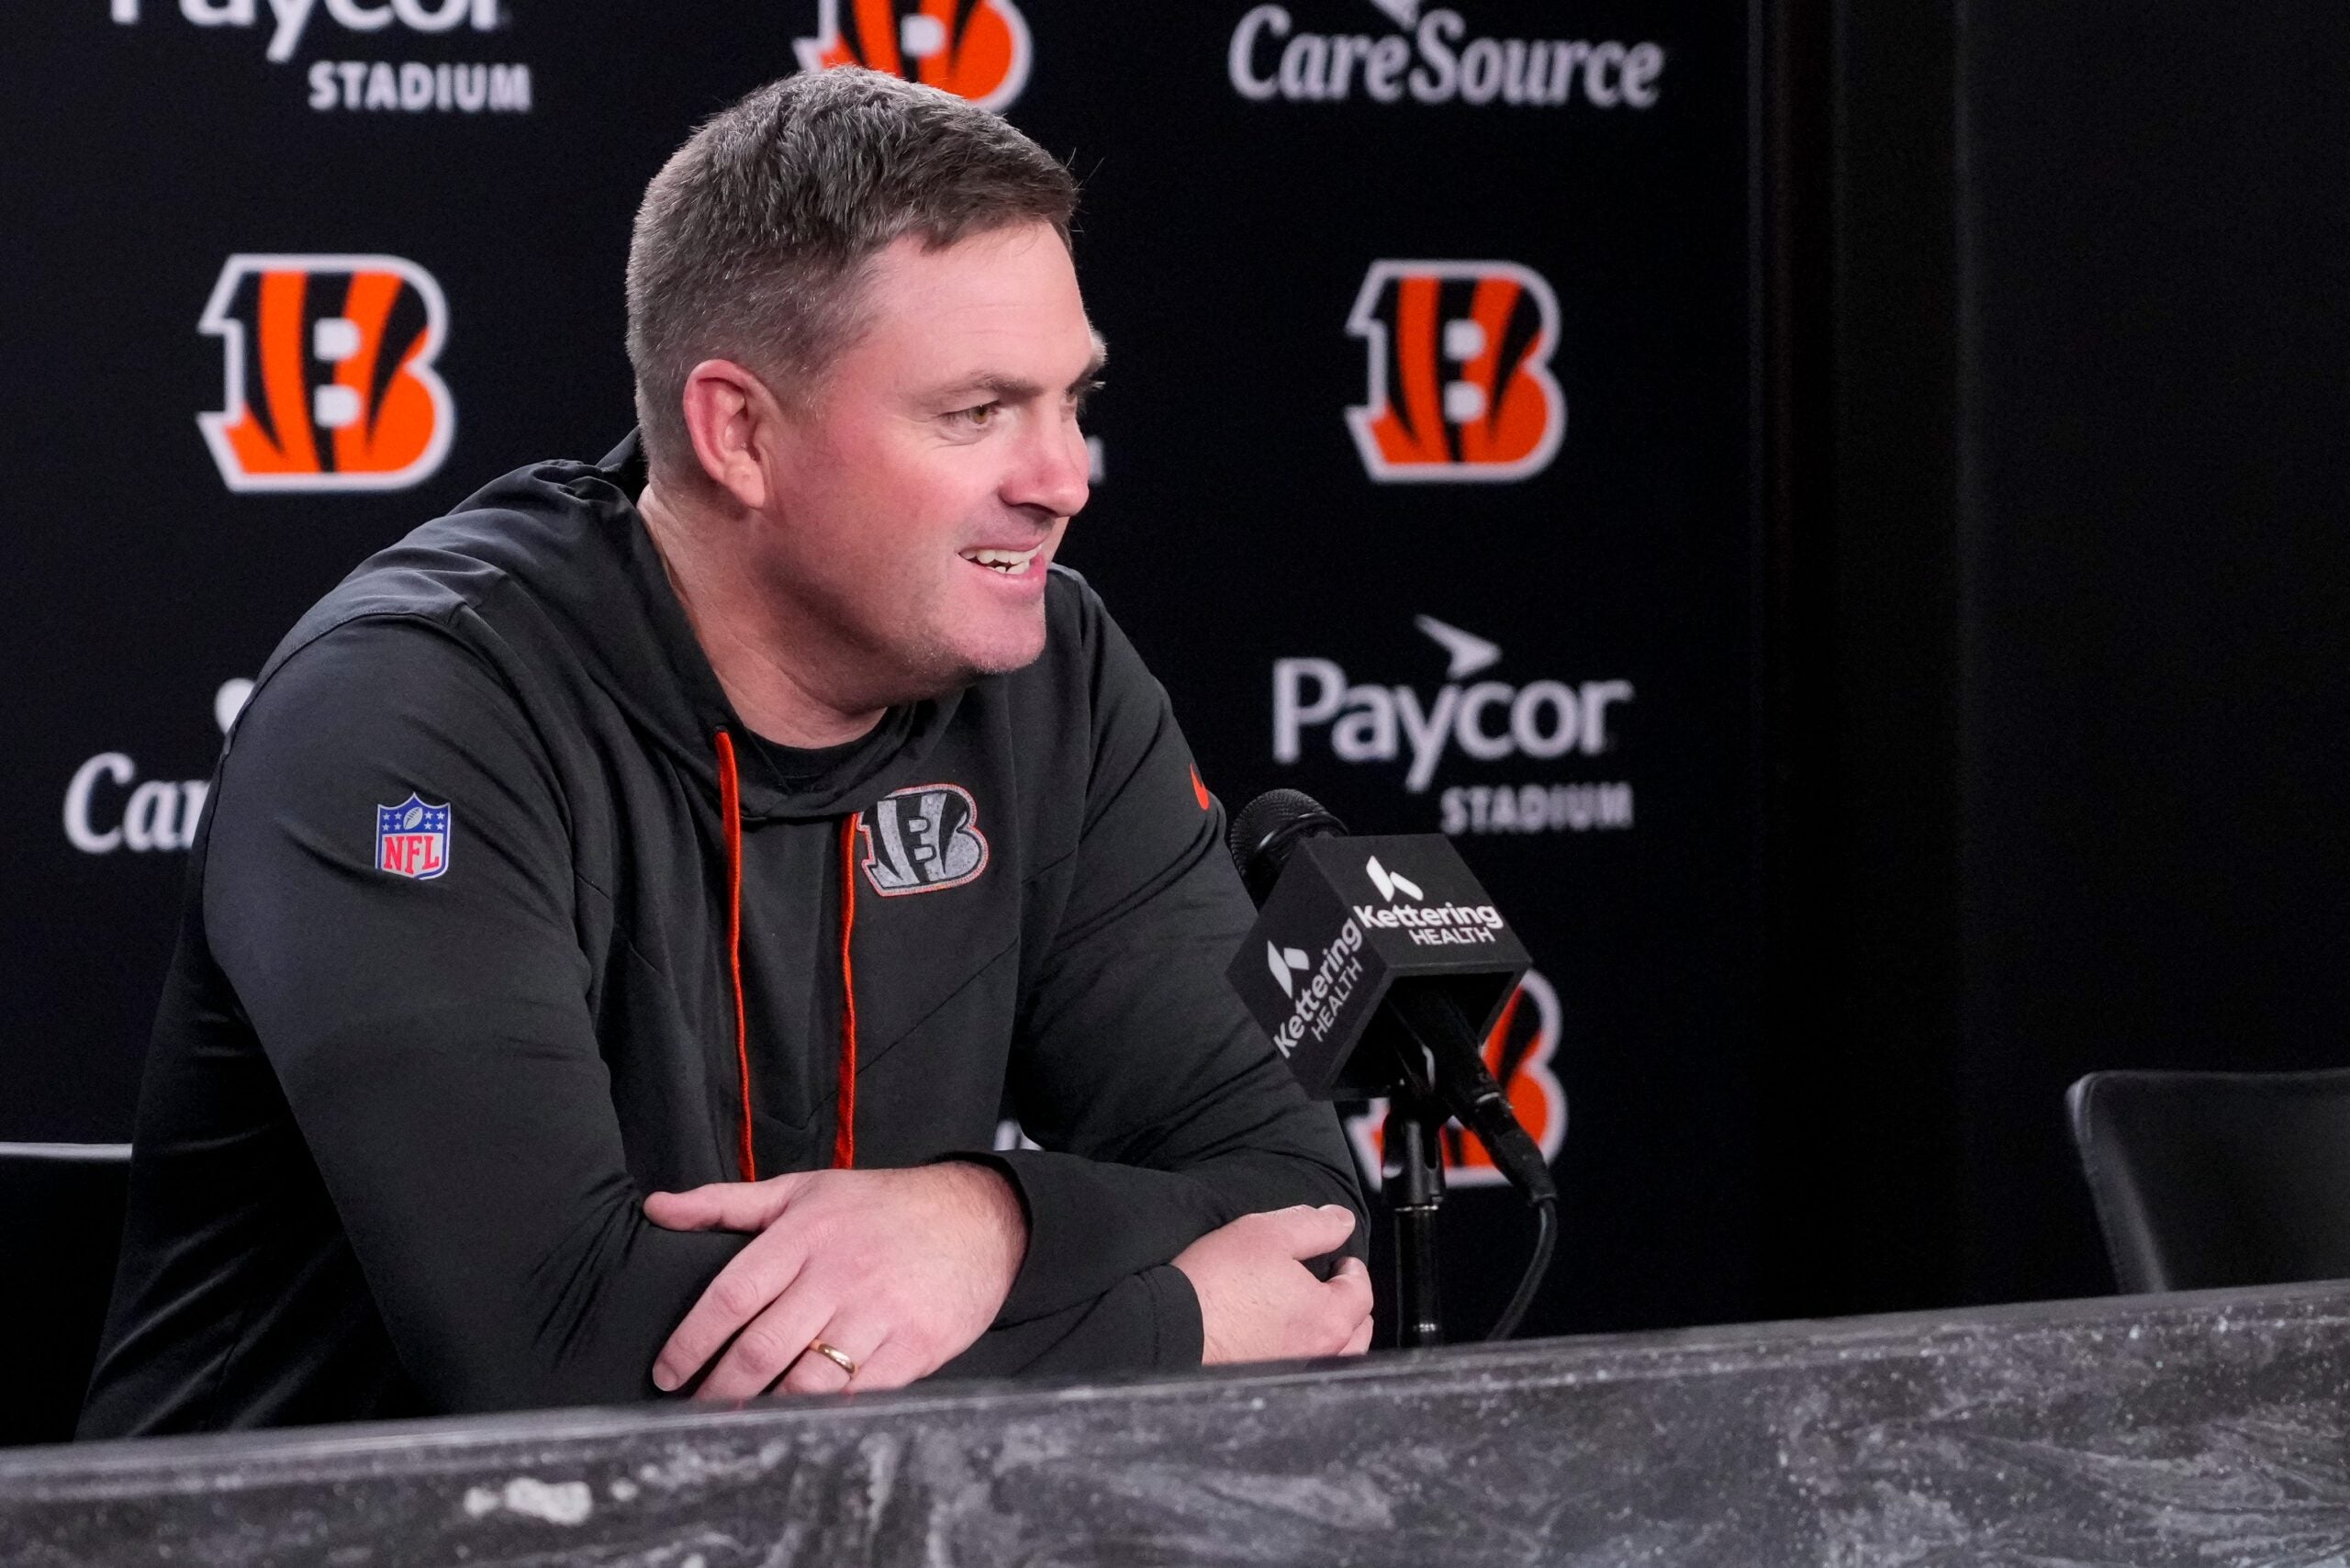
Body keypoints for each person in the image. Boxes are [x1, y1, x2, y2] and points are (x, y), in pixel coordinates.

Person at [78, 68, 1372, 1436]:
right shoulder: (407, 715)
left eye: (1074, 400)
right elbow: (564, 1362)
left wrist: (983, 1218)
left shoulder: (1055, 672)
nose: (1063, 479)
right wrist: (1175, 1325)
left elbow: (1299, 1210)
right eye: (978, 412)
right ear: (740, 432)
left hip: (849, 1525)